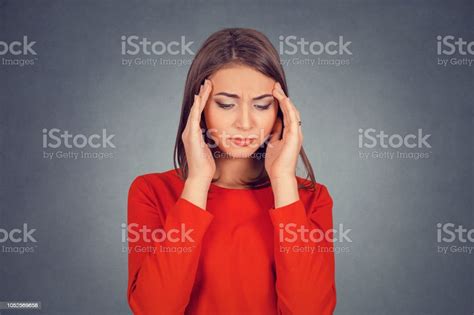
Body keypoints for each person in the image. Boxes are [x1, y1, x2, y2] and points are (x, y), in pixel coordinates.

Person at [127, 28, 336, 315]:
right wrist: (198, 182)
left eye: (262, 105)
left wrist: (283, 182)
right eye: (226, 104)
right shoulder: (151, 192)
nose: (246, 123)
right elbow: (154, 310)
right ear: (198, 108)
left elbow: (309, 311)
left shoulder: (311, 199)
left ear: (280, 111)